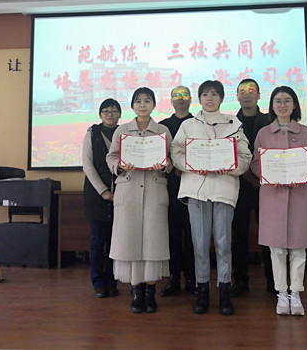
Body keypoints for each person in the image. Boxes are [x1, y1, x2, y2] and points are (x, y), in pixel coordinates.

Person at [171, 80, 252, 315]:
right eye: (205, 94)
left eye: (214, 94)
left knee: (223, 243)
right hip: (196, 190)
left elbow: (245, 157)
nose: (209, 98)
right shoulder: (188, 125)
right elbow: (176, 152)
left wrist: (230, 166)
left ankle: (224, 292)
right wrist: (192, 165)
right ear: (199, 99)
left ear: (221, 98)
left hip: (224, 189)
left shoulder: (234, 124)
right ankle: (203, 292)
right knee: (199, 243)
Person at [250, 86, 307, 316]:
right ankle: (281, 293)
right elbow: (255, 163)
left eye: (287, 100)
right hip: (273, 196)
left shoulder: (306, 132)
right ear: (272, 106)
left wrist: (300, 175)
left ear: (294, 105)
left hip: (300, 196)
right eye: (278, 101)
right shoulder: (263, 133)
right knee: (277, 249)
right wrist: (271, 176)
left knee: (299, 249)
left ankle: (296, 293)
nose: (282, 105)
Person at [106, 87, 173, 314]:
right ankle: (136, 292)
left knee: (153, 243)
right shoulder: (122, 130)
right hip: (129, 189)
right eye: (138, 101)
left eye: (147, 100)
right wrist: (119, 165)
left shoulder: (162, 130)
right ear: (132, 105)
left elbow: (171, 159)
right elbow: (111, 156)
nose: (142, 105)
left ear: (154, 104)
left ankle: (150, 293)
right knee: (131, 241)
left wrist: (165, 165)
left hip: (154, 189)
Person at [230, 79, 275, 297]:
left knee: (269, 235)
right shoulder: (230, 123)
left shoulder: (270, 121)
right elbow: (229, 154)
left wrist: (260, 177)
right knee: (239, 236)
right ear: (237, 97)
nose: (246, 94)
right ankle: (240, 280)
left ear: (258, 95)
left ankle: (273, 280)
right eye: (242, 91)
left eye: (251, 91)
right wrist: (249, 176)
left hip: (267, 187)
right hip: (238, 186)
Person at [82, 98, 121, 299]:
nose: (110, 114)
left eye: (114, 110)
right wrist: (104, 191)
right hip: (97, 196)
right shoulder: (92, 133)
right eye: (106, 110)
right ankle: (98, 282)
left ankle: (112, 281)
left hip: (121, 196)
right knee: (98, 241)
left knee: (116, 242)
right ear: (100, 114)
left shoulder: (124, 133)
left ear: (120, 114)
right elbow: (88, 165)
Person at [159, 86, 196, 297]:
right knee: (171, 234)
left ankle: (191, 278)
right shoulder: (162, 126)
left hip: (193, 185)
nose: (180, 99)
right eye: (176, 95)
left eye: (184, 95)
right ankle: (173, 277)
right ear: (171, 101)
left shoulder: (198, 123)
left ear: (191, 99)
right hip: (169, 186)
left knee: (192, 235)